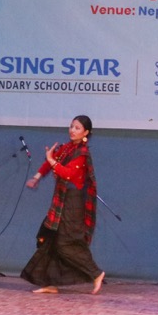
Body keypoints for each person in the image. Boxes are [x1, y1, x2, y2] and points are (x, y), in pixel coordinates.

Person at [21, 115, 104, 294]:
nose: (72, 130)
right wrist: (36, 177)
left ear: (86, 133)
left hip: (73, 203)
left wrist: (52, 160)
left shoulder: (82, 153)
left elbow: (67, 174)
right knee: (50, 239)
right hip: (61, 200)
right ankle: (50, 283)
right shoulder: (67, 148)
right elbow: (49, 163)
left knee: (65, 243)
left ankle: (96, 273)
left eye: (77, 128)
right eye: (71, 126)